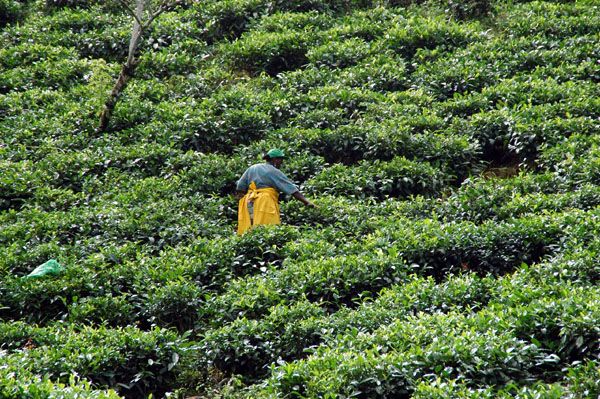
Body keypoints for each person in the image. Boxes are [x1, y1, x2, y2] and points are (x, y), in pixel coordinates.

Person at [236, 149, 316, 235]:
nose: (281, 163)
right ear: (274, 159)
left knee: (250, 228)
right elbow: (292, 190)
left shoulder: (253, 168)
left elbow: (240, 186)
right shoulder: (274, 171)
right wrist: (307, 202)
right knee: (266, 229)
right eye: (280, 160)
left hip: (248, 200)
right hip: (264, 201)